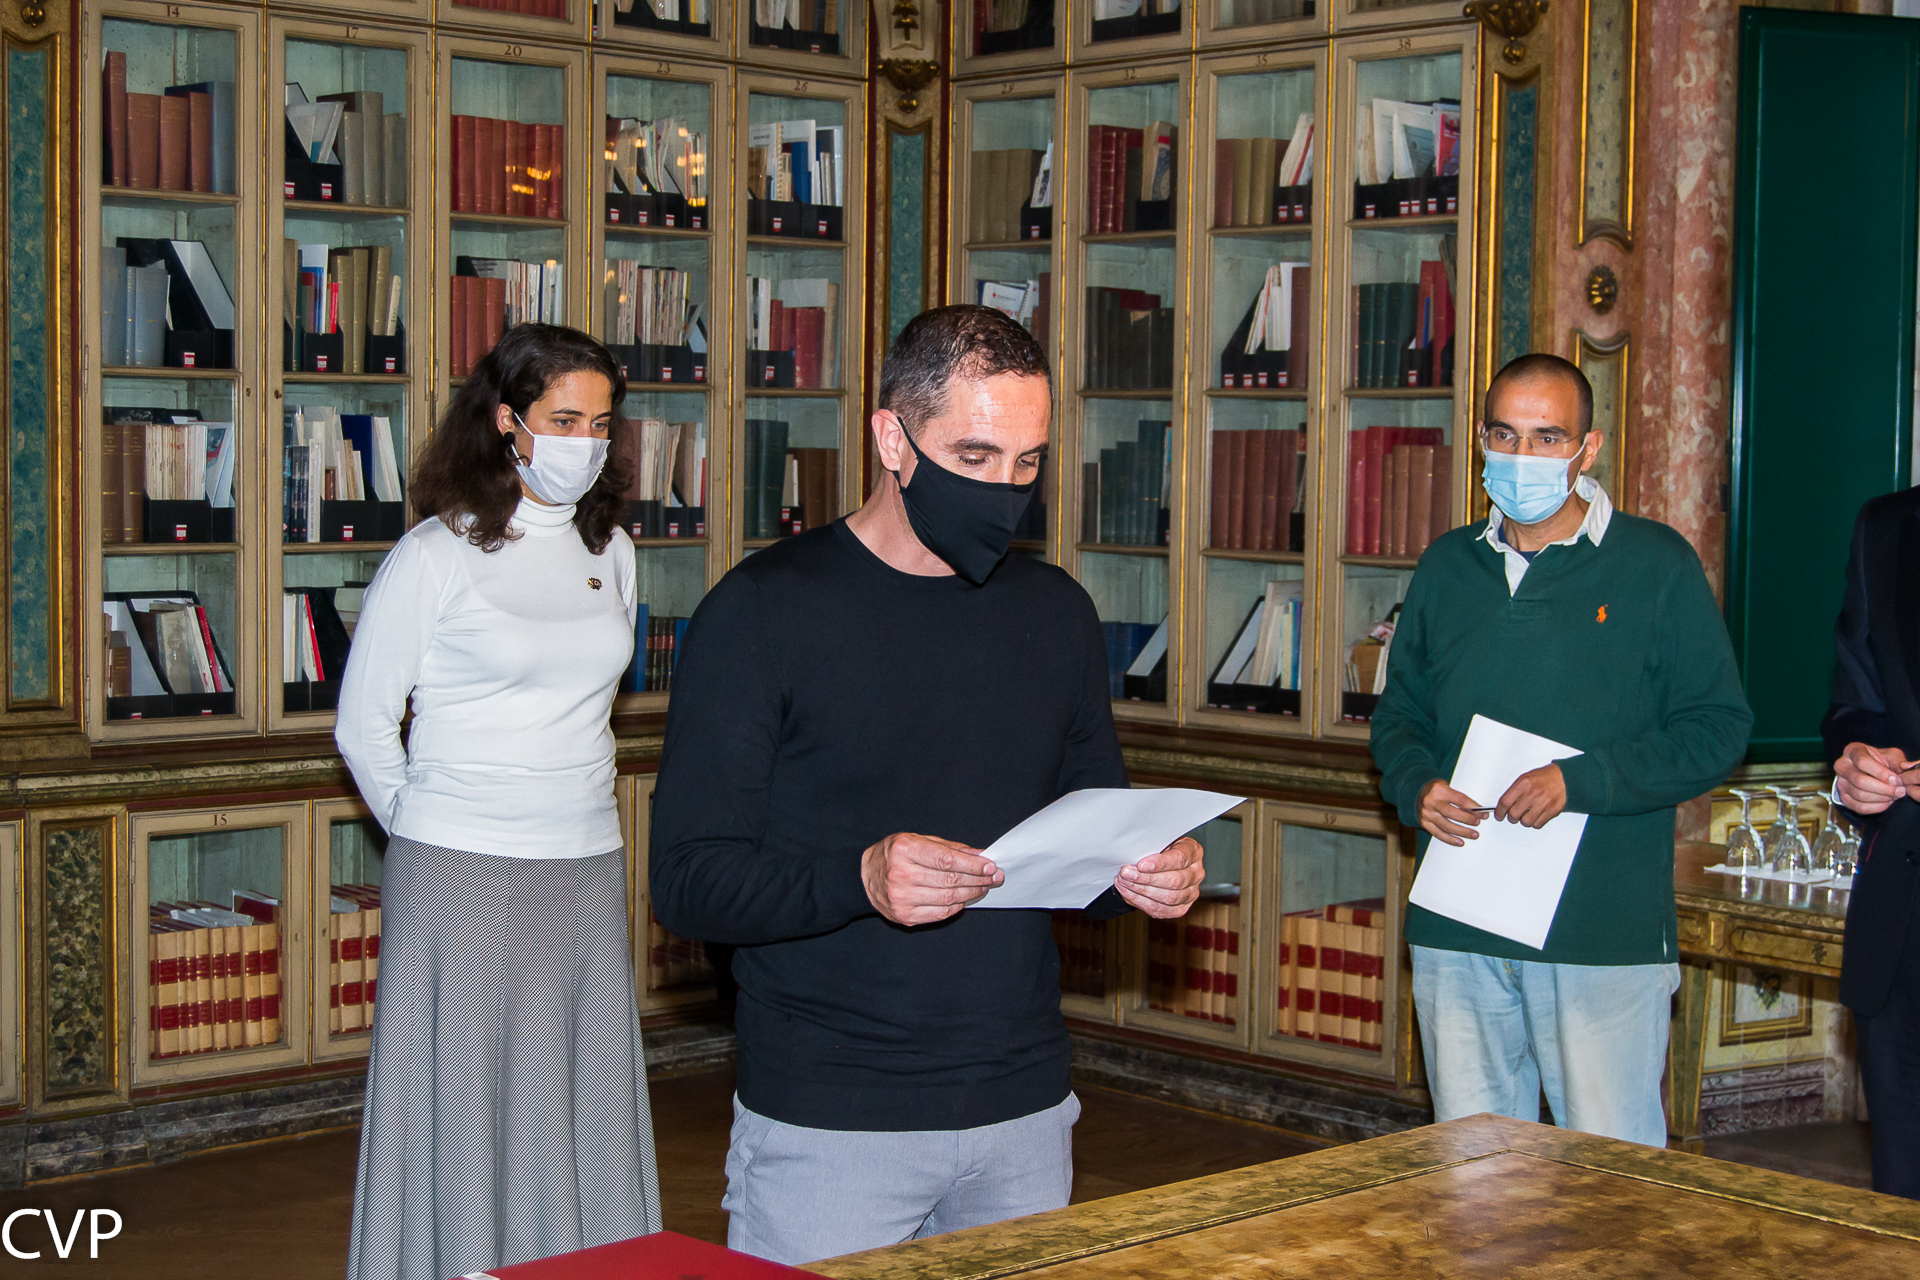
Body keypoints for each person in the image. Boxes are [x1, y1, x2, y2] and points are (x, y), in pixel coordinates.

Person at [649, 304, 1207, 1265]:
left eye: (1028, 464)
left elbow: (1090, 841)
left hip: (1023, 1103)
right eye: (975, 456)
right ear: (891, 440)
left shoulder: (1057, 615)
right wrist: (859, 878)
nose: (1004, 489)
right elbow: (688, 881)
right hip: (832, 1113)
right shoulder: (761, 613)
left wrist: (1147, 875)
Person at [335, 324, 661, 1279]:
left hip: (585, 863)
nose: (584, 442)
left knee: (581, 1094)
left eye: (600, 424)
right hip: (460, 871)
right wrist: (433, 834)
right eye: (563, 420)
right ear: (506, 422)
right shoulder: (435, 554)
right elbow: (363, 726)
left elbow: (593, 702)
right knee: (463, 1102)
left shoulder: (614, 552)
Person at [1370, 352, 1751, 1148]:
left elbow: (1718, 728)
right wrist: (1416, 784)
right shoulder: (1447, 565)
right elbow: (1398, 714)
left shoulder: (1656, 565)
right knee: (1473, 1170)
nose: (1523, 457)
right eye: (1505, 435)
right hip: (1458, 923)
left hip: (1599, 930)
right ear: (1482, 440)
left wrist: (1582, 782)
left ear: (1588, 448)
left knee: (1608, 1175)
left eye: (1548, 438)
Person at [1822, 487, 1920, 1199]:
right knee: (1899, 1215)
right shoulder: (1887, 526)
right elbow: (1855, 704)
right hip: (1902, 928)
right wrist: (1857, 763)